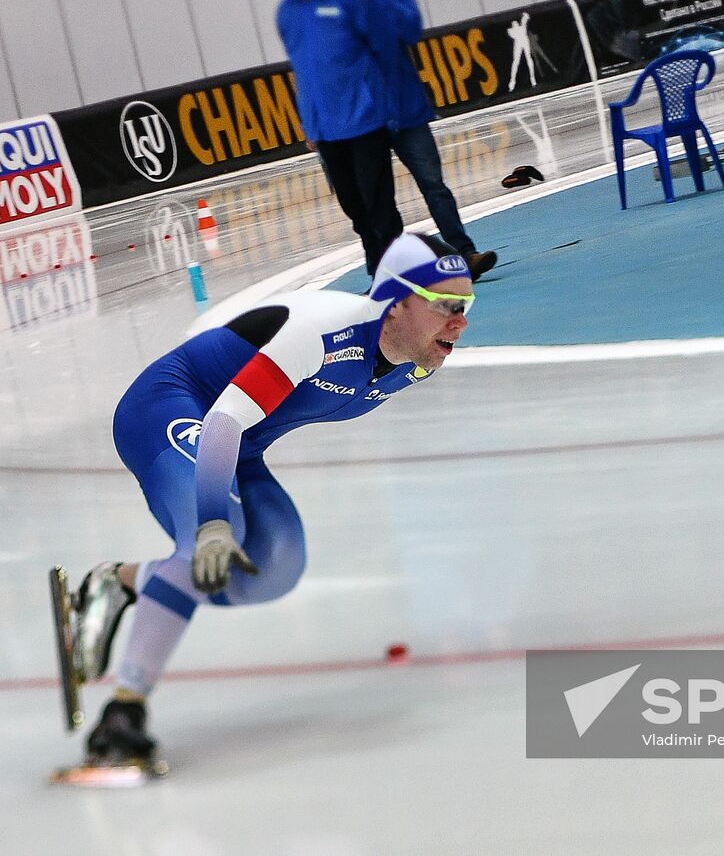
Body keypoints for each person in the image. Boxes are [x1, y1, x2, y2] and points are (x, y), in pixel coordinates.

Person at [68, 234, 475, 760]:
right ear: (396, 302)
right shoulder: (323, 333)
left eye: (466, 306)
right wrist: (211, 522)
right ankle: (122, 712)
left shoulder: (414, 363)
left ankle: (120, 583)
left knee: (274, 565)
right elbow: (223, 419)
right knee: (216, 539)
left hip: (239, 441)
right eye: (445, 306)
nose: (459, 322)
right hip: (171, 409)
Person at [327, 0, 498, 281]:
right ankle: (396, 269)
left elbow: (411, 30)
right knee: (376, 204)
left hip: (405, 112)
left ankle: (464, 253)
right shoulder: (330, 7)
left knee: (433, 185)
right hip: (364, 124)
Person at [275, 0, 404, 276]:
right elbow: (301, 71)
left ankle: (396, 270)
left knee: (377, 201)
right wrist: (309, 124)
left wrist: (384, 101)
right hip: (326, 128)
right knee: (352, 204)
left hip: (365, 118)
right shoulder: (286, 12)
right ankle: (379, 270)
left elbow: (383, 46)